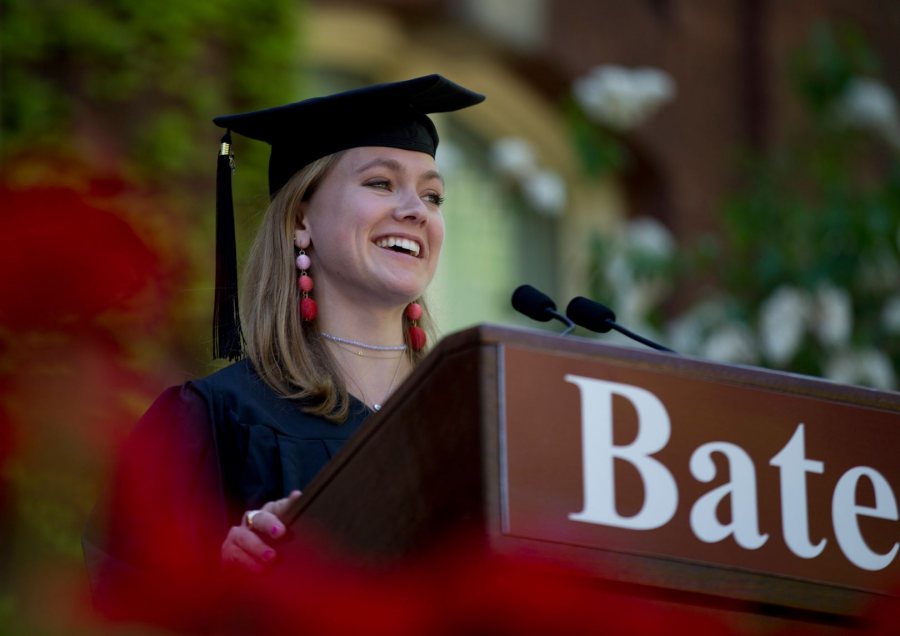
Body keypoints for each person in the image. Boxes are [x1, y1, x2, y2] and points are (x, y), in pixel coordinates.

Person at [82, 74, 485, 625]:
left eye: (433, 194)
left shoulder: (473, 426)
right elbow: (119, 603)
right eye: (381, 184)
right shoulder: (215, 422)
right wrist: (222, 580)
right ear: (301, 219)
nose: (417, 209)